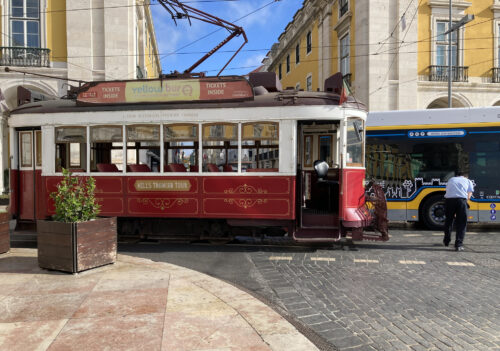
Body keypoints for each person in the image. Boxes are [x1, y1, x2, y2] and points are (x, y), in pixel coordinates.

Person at [443, 170, 474, 251]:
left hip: (449, 201)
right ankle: (458, 245)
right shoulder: (467, 180)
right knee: (461, 223)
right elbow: (469, 194)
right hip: (461, 201)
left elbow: (448, 190)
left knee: (449, 221)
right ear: (465, 176)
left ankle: (446, 241)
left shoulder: (451, 179)